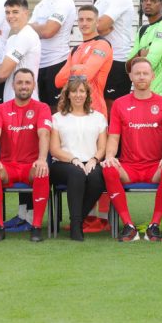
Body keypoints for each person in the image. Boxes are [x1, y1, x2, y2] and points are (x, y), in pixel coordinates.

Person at [102, 58, 162, 242]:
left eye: (145, 73)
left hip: (154, 167)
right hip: (129, 168)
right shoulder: (120, 104)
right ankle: (128, 226)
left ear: (152, 76)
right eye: (137, 73)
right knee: (108, 168)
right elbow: (113, 137)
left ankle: (154, 226)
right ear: (130, 76)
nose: (141, 76)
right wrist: (110, 156)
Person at [0, 68, 51, 242]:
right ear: (13, 85)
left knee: (42, 171)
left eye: (27, 82)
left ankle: (36, 227)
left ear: (33, 85)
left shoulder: (42, 108)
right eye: (20, 82)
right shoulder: (0, 109)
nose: (23, 86)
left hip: (31, 165)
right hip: (8, 166)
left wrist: (42, 159)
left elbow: (44, 134)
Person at [49, 79, 107, 241]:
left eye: (82, 91)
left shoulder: (98, 117)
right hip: (63, 164)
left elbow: (102, 147)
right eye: (74, 91)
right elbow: (54, 149)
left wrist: (94, 160)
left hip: (90, 161)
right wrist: (73, 159)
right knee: (77, 174)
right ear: (67, 95)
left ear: (88, 94)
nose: (78, 95)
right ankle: (76, 226)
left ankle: (78, 219)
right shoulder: (57, 118)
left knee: (97, 177)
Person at [29, 0, 77, 110]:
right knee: (42, 111)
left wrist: (33, 26)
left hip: (57, 63)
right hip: (39, 64)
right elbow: (25, 32)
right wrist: (34, 27)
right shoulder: (41, 4)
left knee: (56, 111)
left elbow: (49, 31)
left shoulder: (63, 1)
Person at [54, 5, 113, 117]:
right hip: (72, 110)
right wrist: (76, 68)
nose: (84, 23)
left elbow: (86, 75)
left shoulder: (102, 44)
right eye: (81, 20)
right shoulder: (75, 49)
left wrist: (75, 69)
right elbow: (58, 81)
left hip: (95, 110)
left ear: (97, 22)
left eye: (89, 19)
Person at [93, 0, 136, 112]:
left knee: (114, 106)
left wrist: (100, 27)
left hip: (117, 58)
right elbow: (90, 28)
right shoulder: (100, 0)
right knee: (100, 103)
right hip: (102, 58)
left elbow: (100, 26)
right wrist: (100, 28)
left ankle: (117, 137)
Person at [0, 0, 41, 104]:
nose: (10, 16)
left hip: (26, 103)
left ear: (26, 13)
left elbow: (1, 74)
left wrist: (2, 70)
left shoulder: (27, 35)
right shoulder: (12, 39)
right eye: (7, 12)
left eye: (15, 12)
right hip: (11, 102)